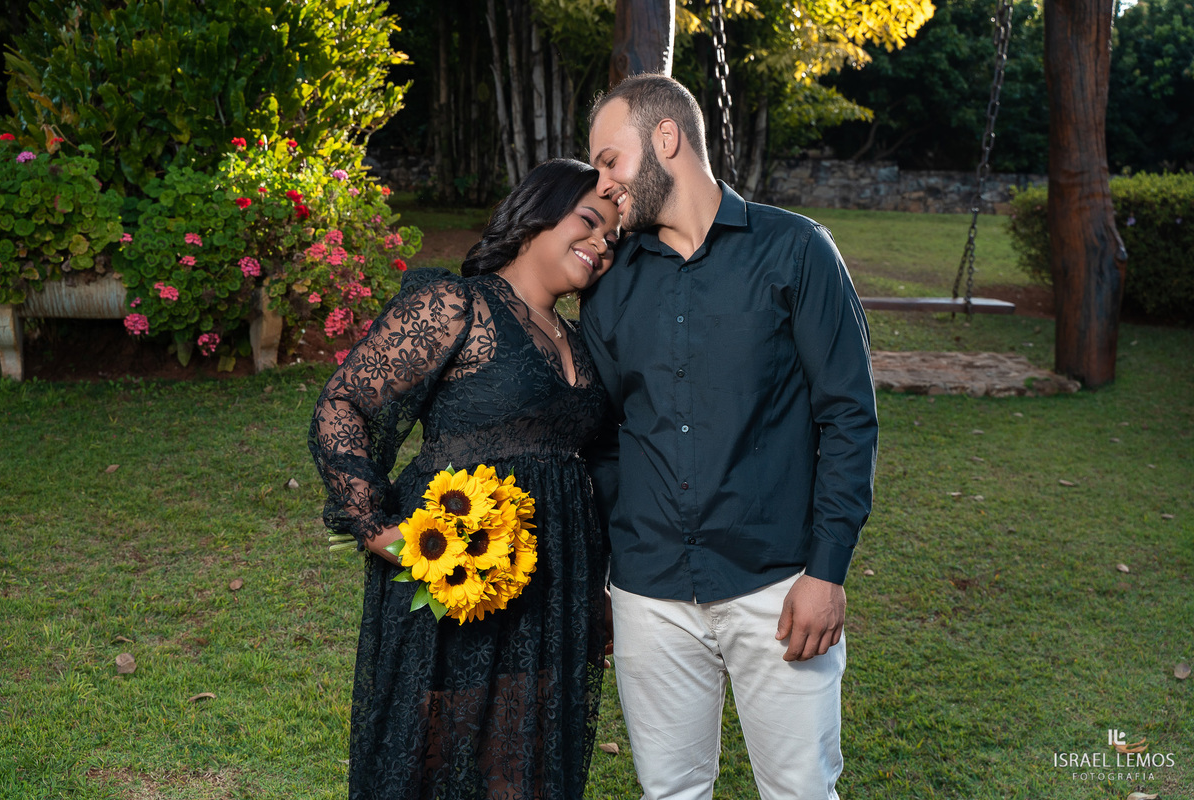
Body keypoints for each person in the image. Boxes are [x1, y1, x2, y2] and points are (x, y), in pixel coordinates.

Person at [581, 74, 879, 800]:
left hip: (778, 584)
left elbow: (847, 415)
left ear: (667, 139)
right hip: (651, 594)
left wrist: (828, 570)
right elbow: (605, 434)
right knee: (671, 793)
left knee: (801, 789)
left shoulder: (797, 251)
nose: (602, 184)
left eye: (609, 160)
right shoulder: (608, 284)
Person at [309, 158, 620, 800]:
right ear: (537, 214)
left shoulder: (582, 342)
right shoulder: (457, 306)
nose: (600, 245)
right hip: (457, 580)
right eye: (589, 222)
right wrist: (378, 529)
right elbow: (344, 406)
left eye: (612, 240)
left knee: (525, 760)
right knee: (438, 758)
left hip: (554, 589)